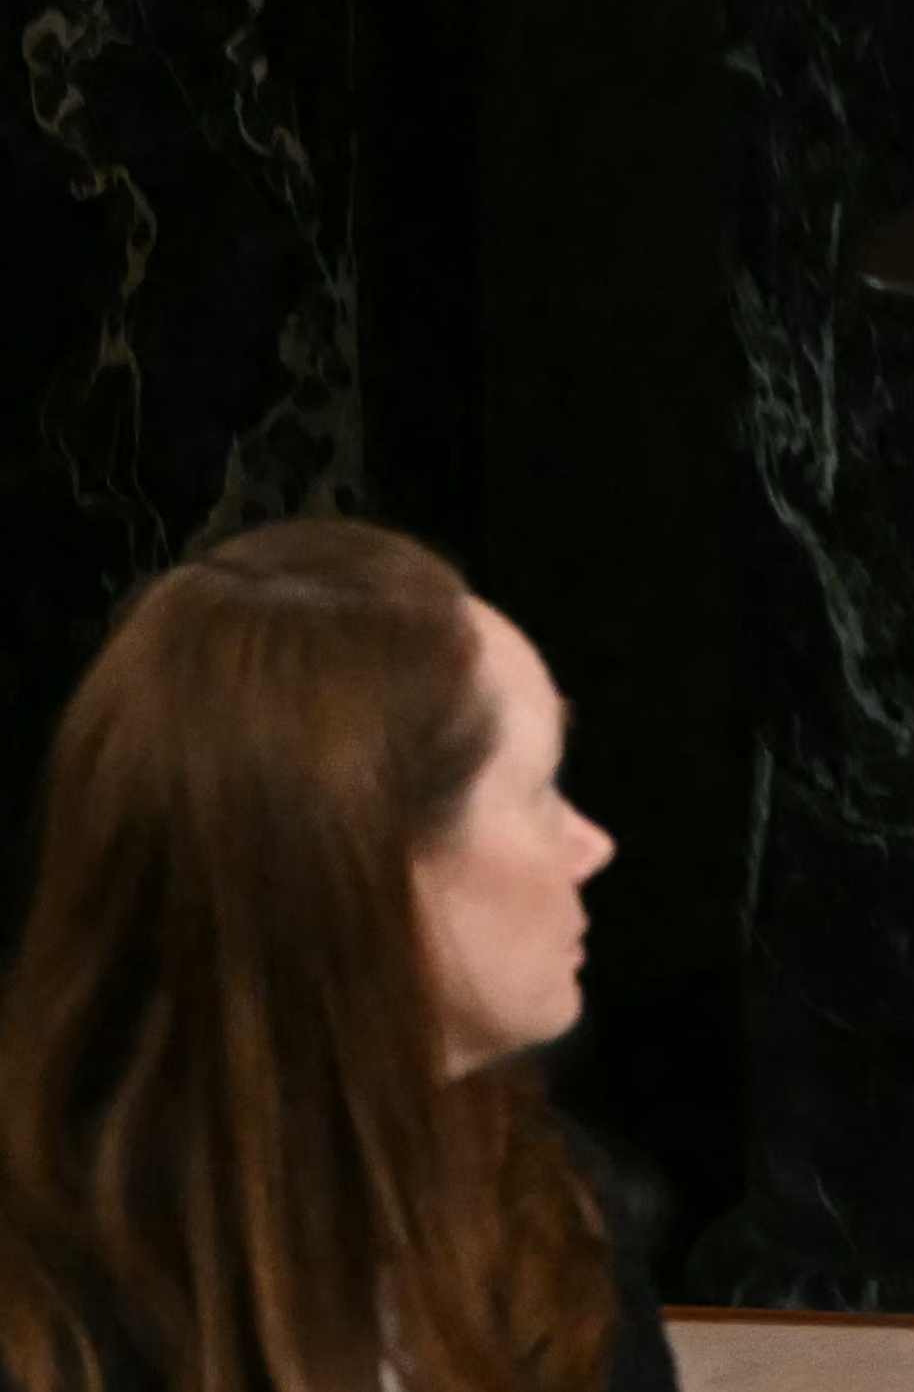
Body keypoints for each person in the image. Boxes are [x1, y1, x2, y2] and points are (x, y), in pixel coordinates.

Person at [0, 524, 661, 1392]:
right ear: (361, 868)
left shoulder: (546, 1210)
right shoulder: (48, 1319)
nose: (591, 847)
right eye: (537, 792)